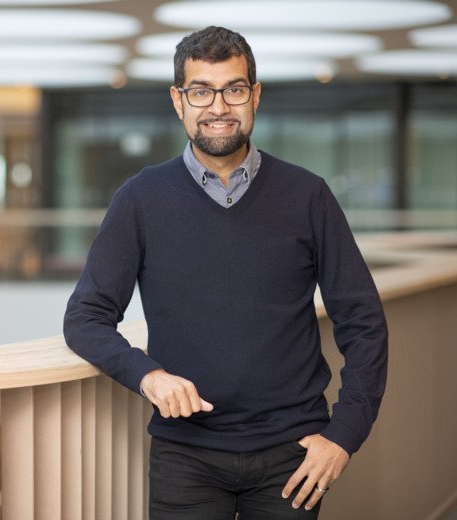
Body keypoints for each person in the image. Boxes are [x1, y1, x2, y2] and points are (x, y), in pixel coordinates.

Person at [63, 25, 388, 519]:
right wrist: (147, 375)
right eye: (201, 91)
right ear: (179, 101)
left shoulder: (308, 196)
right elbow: (85, 317)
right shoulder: (140, 199)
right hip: (184, 456)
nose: (218, 107)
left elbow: (364, 322)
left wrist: (343, 435)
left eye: (234, 89)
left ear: (254, 95)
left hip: (293, 455)